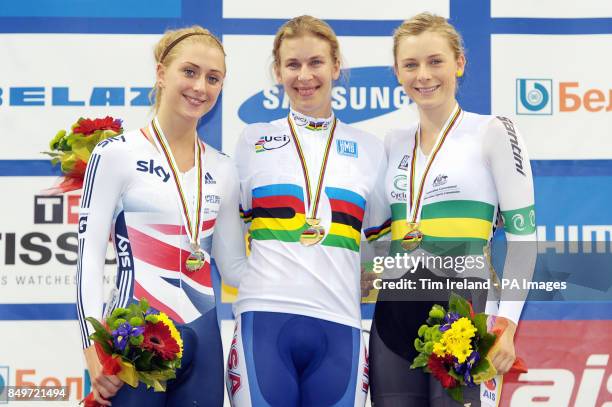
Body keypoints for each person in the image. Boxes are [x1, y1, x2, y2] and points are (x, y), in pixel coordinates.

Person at [369, 13, 537, 406]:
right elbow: (372, 235)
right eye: (410, 65)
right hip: (392, 319)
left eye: (435, 61)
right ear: (397, 72)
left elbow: (524, 241)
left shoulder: (494, 131)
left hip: (466, 311)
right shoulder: (390, 142)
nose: (423, 75)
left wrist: (507, 324)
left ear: (459, 62)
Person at [226, 15, 391, 407]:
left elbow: (380, 248)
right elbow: (228, 241)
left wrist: (340, 274)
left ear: (336, 66)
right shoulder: (253, 140)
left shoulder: (369, 149)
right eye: (293, 64)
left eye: (316, 62)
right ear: (277, 71)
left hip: (341, 326)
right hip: (263, 322)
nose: (304, 76)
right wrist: (261, 283)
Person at [76, 25, 246, 406]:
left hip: (204, 341)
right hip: (133, 338)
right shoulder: (115, 154)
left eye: (213, 78)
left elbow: (234, 268)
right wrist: (91, 351)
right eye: (189, 72)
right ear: (160, 73)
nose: (200, 86)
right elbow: (86, 261)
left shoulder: (223, 168)